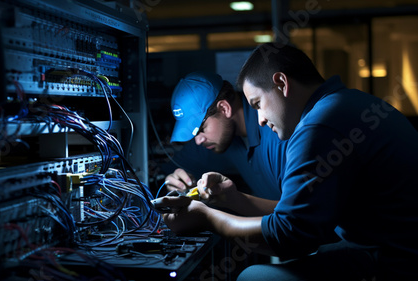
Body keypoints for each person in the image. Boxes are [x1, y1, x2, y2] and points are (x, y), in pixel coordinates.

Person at [158, 43, 418, 281]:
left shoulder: (319, 126)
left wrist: (206, 218)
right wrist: (230, 199)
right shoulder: (342, 104)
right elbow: (296, 217)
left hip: (392, 262)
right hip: (376, 246)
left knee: (255, 278)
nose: (259, 119)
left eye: (258, 103)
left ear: (281, 83)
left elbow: (291, 237)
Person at [162, 71, 288, 201]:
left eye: (201, 129)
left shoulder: (276, 135)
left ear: (224, 109)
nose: (198, 141)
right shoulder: (221, 138)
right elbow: (171, 169)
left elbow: (294, 213)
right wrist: (172, 180)